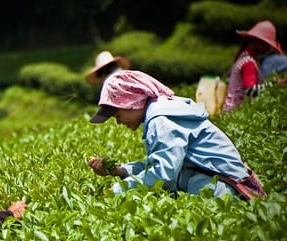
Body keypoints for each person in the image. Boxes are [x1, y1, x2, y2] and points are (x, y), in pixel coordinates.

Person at [88, 70, 266, 200]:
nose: (119, 122)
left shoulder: (161, 120)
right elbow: (163, 165)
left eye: (118, 115)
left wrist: (119, 189)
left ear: (132, 103)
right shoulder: (163, 110)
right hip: (222, 187)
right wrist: (119, 170)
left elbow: (163, 173)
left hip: (221, 192)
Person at [223, 20, 285, 112]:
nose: (269, 48)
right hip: (235, 112)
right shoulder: (249, 62)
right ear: (259, 42)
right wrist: (276, 85)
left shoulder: (245, 56)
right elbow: (250, 90)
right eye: (267, 44)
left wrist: (274, 82)